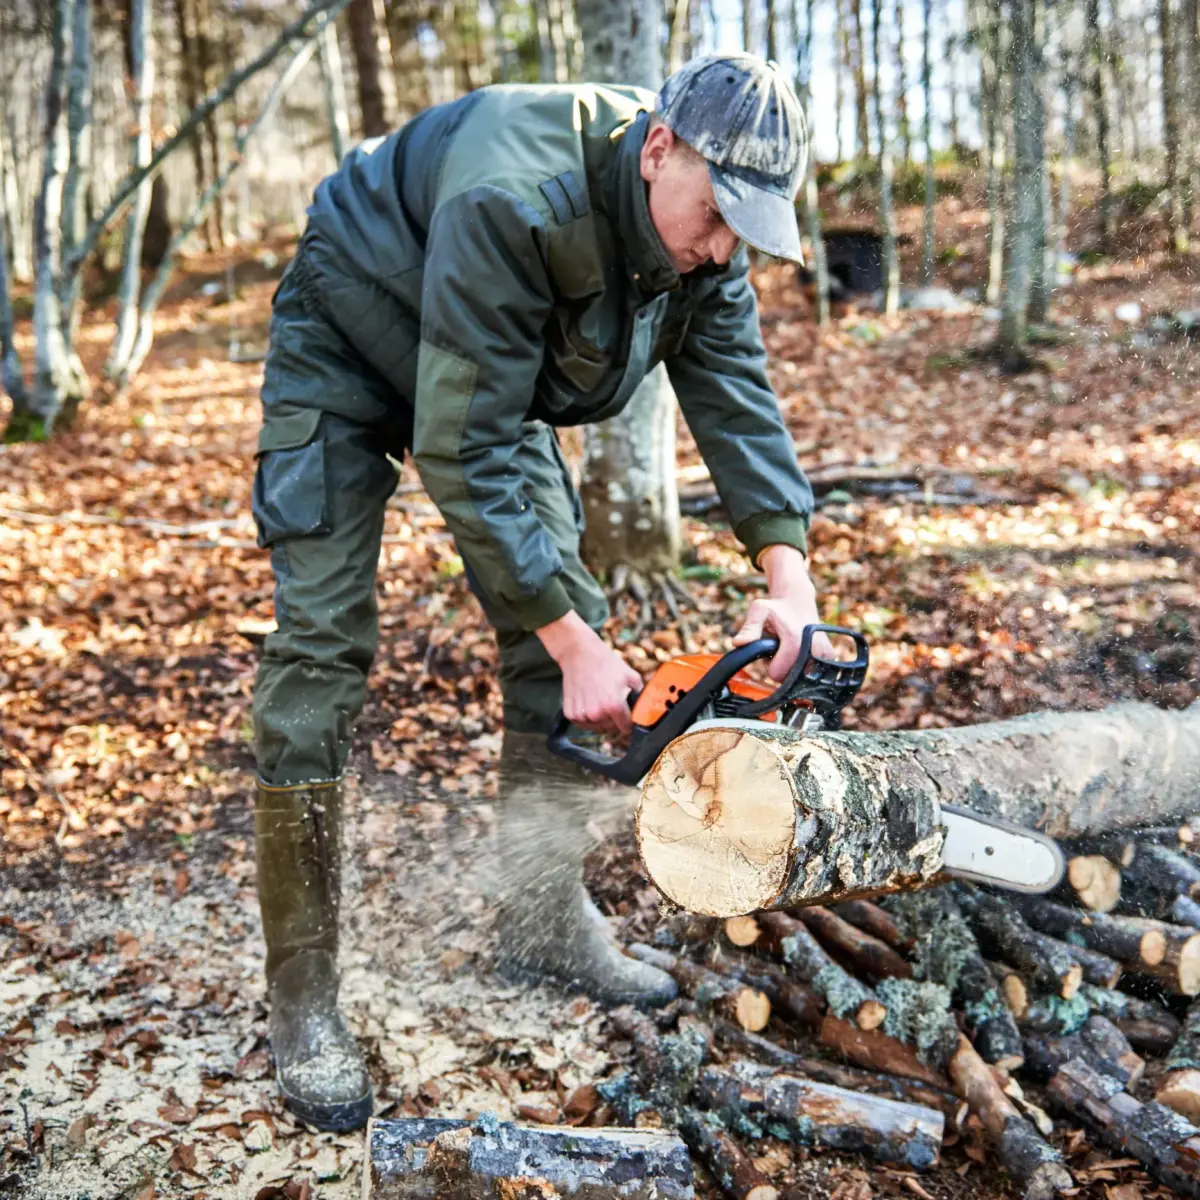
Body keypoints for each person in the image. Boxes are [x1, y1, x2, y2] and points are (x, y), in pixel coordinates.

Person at [250, 52, 825, 1133]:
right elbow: (456, 444)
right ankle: (302, 997)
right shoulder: (513, 192)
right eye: (712, 215)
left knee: (559, 623)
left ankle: (540, 922)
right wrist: (572, 642)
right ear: (659, 150)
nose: (721, 245)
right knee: (323, 649)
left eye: (744, 225)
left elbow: (734, 388)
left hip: (483, 370)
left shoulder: (705, 242)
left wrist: (786, 577)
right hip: (352, 341)